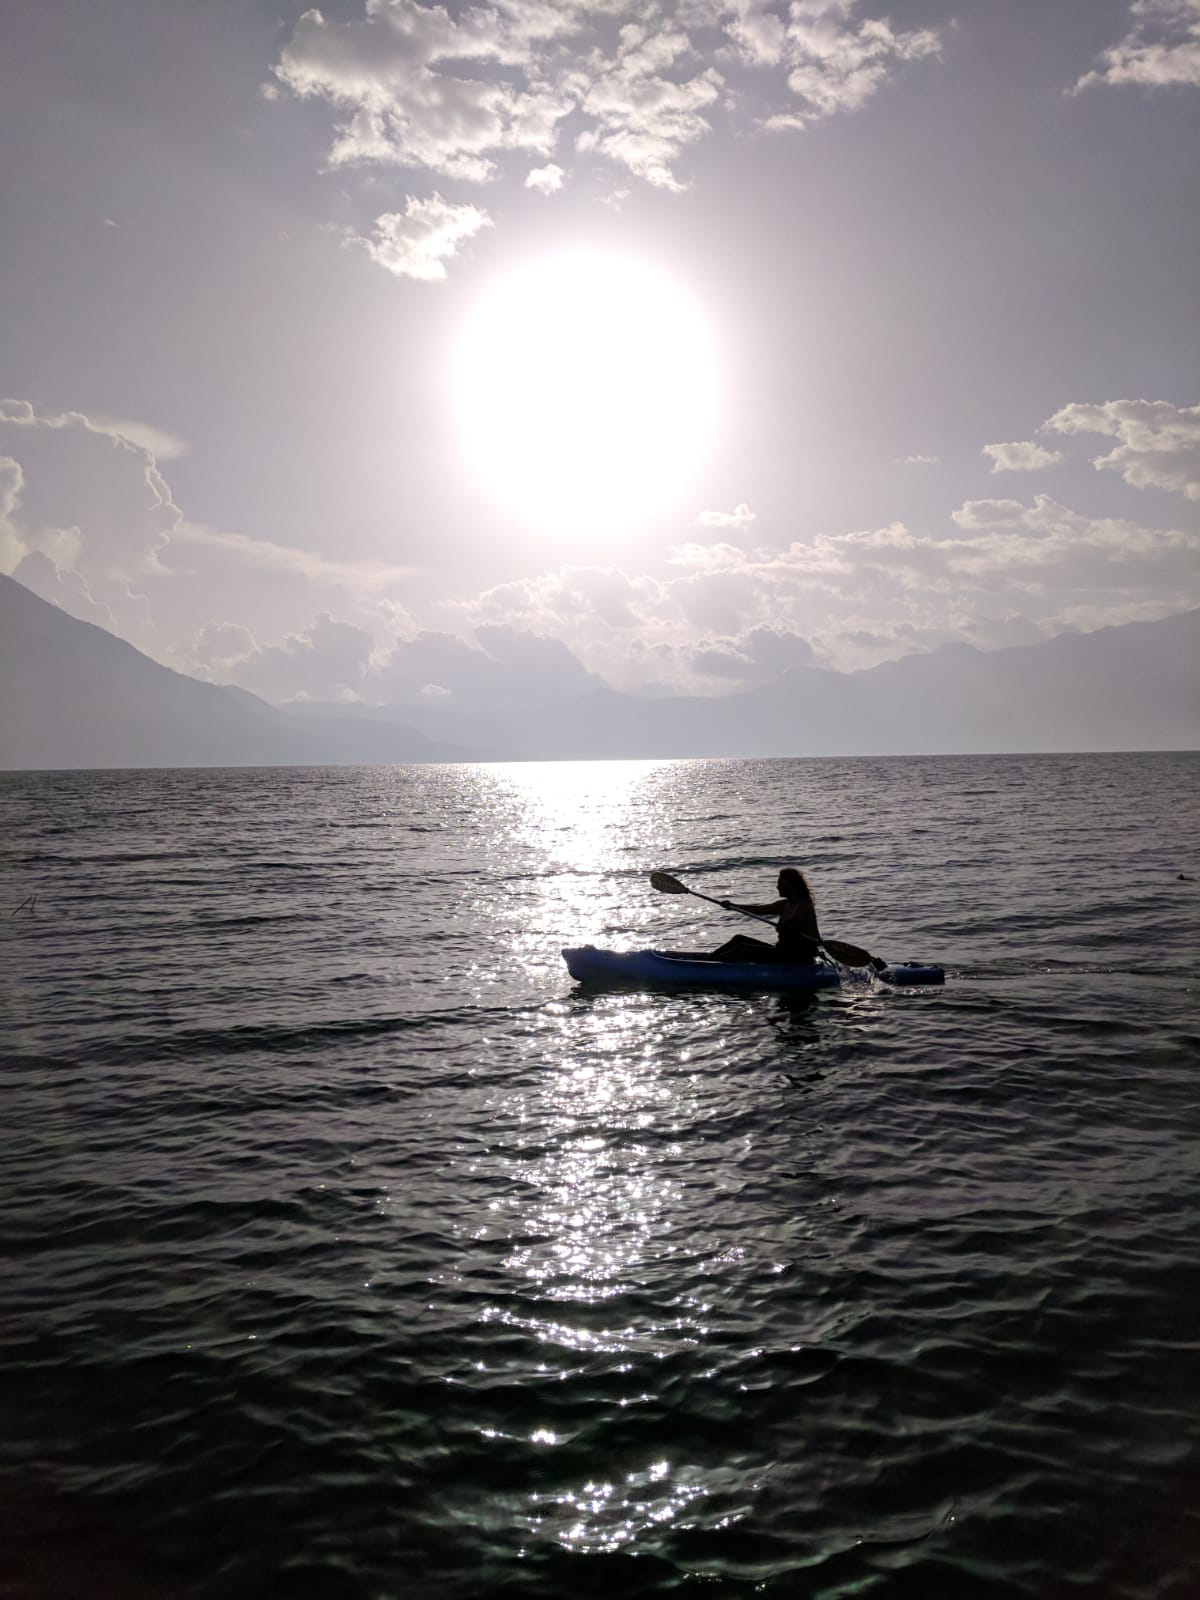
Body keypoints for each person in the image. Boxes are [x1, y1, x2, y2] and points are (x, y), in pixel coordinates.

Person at [711, 867, 824, 965]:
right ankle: (709, 960)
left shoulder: (804, 906)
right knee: (738, 939)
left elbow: (814, 938)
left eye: (781, 884)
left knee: (743, 949)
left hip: (796, 958)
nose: (777, 887)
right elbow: (758, 909)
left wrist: (792, 930)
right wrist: (732, 906)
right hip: (780, 951)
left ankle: (710, 967)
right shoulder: (784, 905)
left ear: (791, 885)